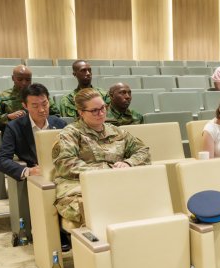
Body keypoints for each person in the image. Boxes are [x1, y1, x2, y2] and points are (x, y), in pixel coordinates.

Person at [53, 88, 150, 225]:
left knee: (146, 203)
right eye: (94, 110)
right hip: (78, 188)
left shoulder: (117, 131)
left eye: (103, 108)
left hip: (116, 184)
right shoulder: (70, 134)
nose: (101, 113)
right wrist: (106, 172)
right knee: (103, 212)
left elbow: (143, 151)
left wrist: (129, 163)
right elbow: (66, 164)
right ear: (81, 112)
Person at [0, 83, 67, 181]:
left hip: (62, 174)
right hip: (36, 178)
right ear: (25, 106)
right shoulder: (14, 128)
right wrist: (28, 171)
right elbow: (2, 160)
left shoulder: (60, 124)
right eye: (35, 106)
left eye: (44, 104)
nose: (41, 110)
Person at [0, 65, 60, 131]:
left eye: (28, 80)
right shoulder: (1, 97)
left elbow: (56, 116)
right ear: (13, 78)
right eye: (20, 79)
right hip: (14, 135)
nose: (24, 83)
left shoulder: (40, 96)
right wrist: (9, 117)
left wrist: (39, 117)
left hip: (40, 131)